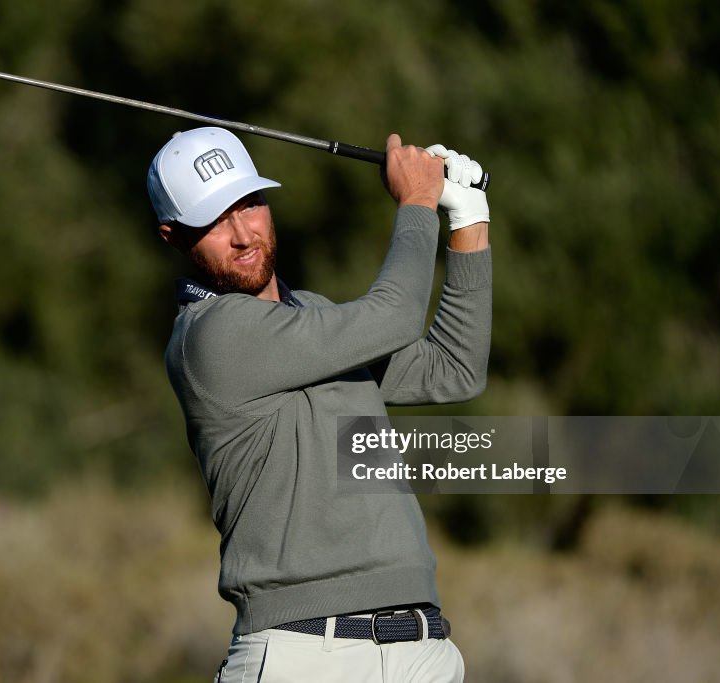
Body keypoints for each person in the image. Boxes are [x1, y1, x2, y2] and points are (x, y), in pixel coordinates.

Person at [148, 126, 491, 682]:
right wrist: (418, 201)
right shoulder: (208, 337)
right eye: (214, 222)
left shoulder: (311, 314)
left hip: (421, 648)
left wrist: (469, 219)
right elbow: (397, 315)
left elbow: (454, 371)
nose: (243, 234)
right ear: (173, 237)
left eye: (250, 204)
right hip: (302, 655)